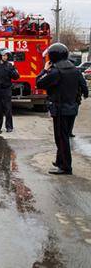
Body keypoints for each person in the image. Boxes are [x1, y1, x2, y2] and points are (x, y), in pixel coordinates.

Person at [36, 43, 88, 175]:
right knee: (64, 136)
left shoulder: (55, 71)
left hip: (60, 109)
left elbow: (39, 83)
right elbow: (84, 88)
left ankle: (65, 167)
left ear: (53, 56)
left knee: (61, 138)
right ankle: (60, 161)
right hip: (72, 108)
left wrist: (44, 70)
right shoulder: (75, 70)